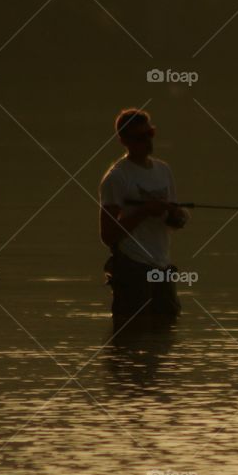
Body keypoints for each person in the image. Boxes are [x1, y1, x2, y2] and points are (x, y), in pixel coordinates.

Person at [99, 109, 190, 323]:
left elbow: (175, 222)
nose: (146, 142)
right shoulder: (117, 177)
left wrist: (176, 215)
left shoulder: (163, 170)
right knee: (132, 331)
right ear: (124, 141)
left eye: (149, 134)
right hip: (132, 267)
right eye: (139, 137)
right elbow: (108, 235)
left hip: (162, 265)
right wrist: (144, 211)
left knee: (166, 330)